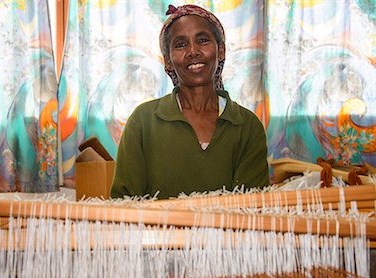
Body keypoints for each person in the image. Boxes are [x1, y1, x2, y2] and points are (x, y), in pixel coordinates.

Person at [111, 4, 269, 199]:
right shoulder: (143, 122)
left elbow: (253, 211)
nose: (193, 51)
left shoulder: (247, 126)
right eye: (180, 44)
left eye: (202, 40)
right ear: (168, 61)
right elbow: (123, 205)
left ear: (221, 51)